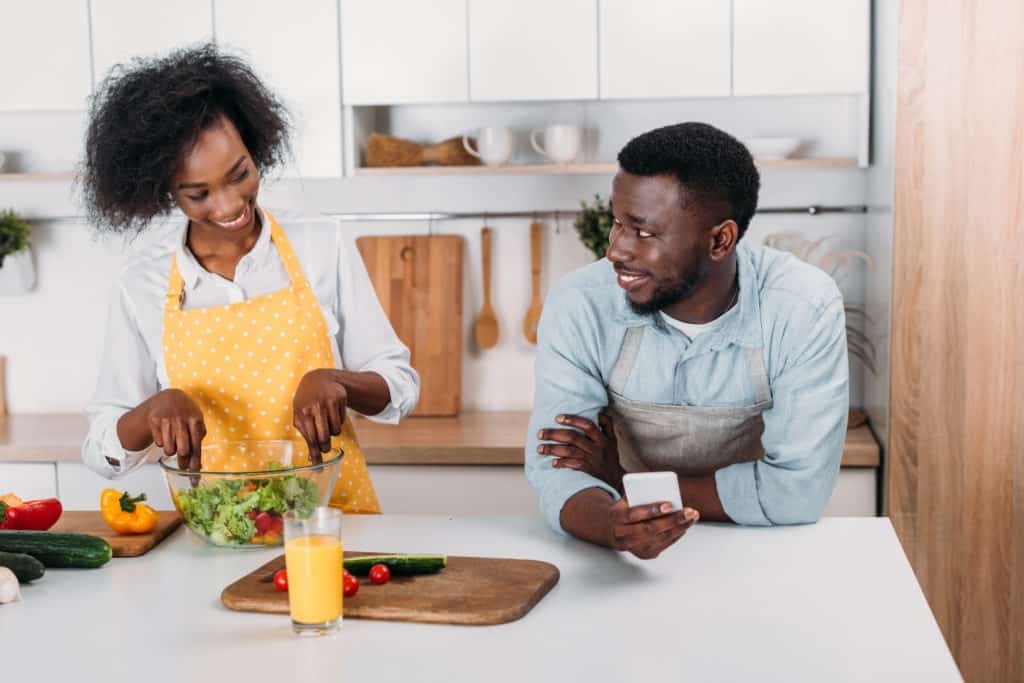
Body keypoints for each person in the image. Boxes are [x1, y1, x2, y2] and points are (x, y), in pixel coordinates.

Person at [79, 44, 419, 513]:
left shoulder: (322, 244)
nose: (229, 206)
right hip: (216, 535)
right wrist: (152, 412)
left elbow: (399, 386)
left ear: (256, 146)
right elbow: (100, 450)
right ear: (161, 190)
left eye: (240, 174)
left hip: (329, 527)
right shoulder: (141, 285)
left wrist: (337, 381)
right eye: (198, 194)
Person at [526, 122, 849, 557]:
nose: (616, 250)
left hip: (760, 549)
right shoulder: (579, 303)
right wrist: (613, 526)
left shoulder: (802, 305)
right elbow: (556, 468)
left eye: (643, 232)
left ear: (720, 240)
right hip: (621, 554)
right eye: (617, 223)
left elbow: (797, 491)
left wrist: (623, 482)